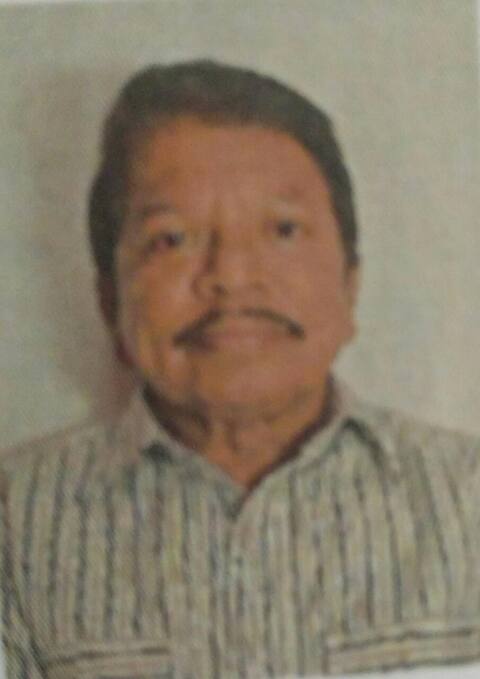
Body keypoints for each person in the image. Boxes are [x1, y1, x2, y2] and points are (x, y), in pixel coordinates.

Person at [1, 60, 479, 679]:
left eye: (282, 230)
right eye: (172, 239)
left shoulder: (466, 499)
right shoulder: (16, 525)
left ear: (350, 284)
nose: (230, 276)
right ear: (109, 301)